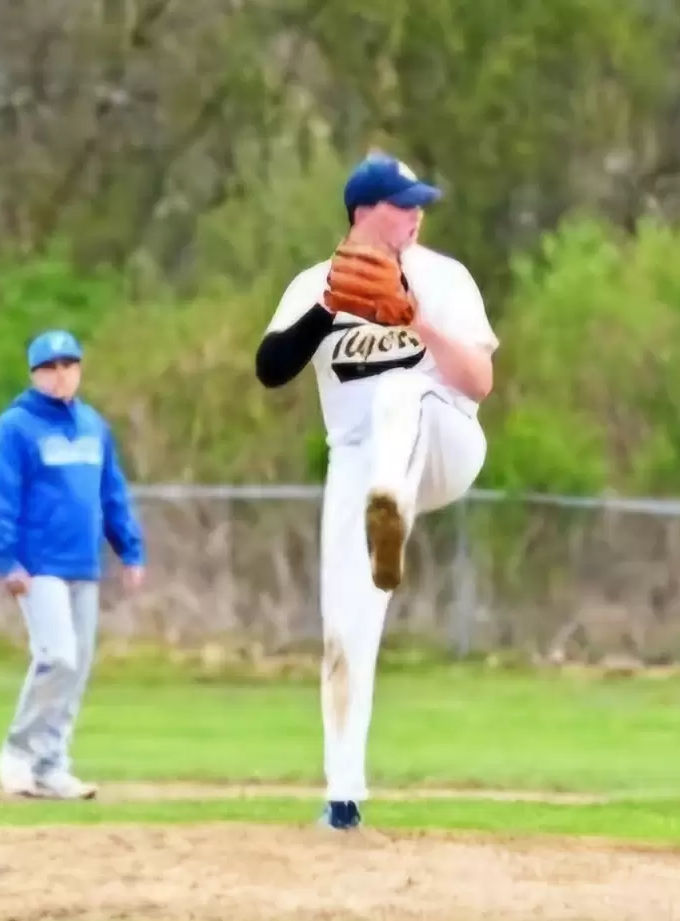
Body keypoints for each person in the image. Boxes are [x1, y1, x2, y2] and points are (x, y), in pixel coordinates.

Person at [255, 152, 498, 829]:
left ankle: (390, 506)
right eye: (402, 203)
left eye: (419, 202)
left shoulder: (443, 277)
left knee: (399, 391)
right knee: (343, 627)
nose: (417, 213)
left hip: (444, 441)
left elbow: (478, 383)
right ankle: (343, 798)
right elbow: (271, 368)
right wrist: (329, 306)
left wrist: (417, 321)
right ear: (363, 213)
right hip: (357, 465)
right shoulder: (315, 284)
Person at [0, 329, 146, 799]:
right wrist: (8, 559)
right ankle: (17, 753)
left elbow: (111, 493)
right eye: (49, 367)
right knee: (57, 656)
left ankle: (51, 764)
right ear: (34, 374)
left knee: (77, 667)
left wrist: (130, 549)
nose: (60, 375)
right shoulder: (15, 427)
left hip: (83, 562)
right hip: (38, 565)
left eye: (68, 365)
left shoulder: (93, 426)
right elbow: (2, 498)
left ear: (79, 369)